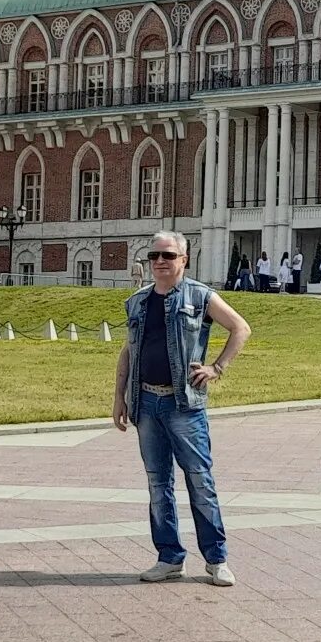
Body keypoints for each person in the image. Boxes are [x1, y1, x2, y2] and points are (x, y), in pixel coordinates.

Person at [113, 231, 251, 587]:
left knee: (200, 481)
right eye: (154, 255)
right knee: (158, 484)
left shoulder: (200, 297)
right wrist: (119, 398)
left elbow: (240, 328)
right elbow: (128, 351)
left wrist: (216, 368)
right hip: (145, 402)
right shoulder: (138, 302)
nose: (160, 261)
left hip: (183, 405)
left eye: (168, 255)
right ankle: (169, 557)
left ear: (184, 260)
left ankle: (217, 559)